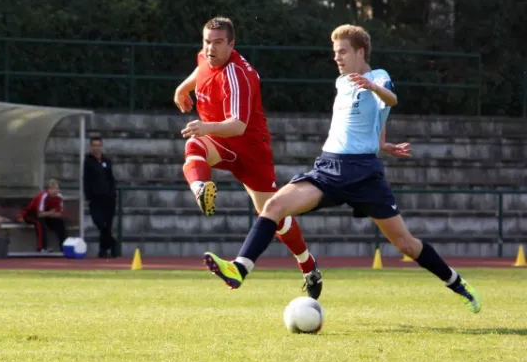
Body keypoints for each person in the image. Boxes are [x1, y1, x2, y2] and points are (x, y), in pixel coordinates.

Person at [203, 24, 482, 313]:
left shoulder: (378, 76)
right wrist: (382, 143)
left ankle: (457, 283)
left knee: (406, 245)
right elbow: (372, 119)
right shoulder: (341, 82)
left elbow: (390, 100)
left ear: (360, 52)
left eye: (343, 52)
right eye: (335, 53)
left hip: (364, 174)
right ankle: (240, 268)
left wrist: (373, 87)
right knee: (273, 206)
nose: (337, 58)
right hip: (329, 168)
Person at [174, 16, 327, 299]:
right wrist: (183, 88)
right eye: (207, 41)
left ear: (232, 45)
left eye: (218, 43)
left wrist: (205, 126)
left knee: (274, 214)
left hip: (250, 150)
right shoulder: (207, 57)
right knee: (194, 146)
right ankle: (200, 189)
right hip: (220, 143)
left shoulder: (238, 75)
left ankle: (308, 264)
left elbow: (238, 125)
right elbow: (201, 69)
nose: (211, 48)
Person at [83, 137, 118, 258]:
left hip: (108, 198)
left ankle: (103, 250)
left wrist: (113, 193)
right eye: (94, 145)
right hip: (95, 198)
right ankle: (112, 243)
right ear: (91, 147)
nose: (96, 148)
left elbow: (111, 178)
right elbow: (86, 179)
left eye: (98, 145)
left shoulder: (106, 161)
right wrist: (88, 195)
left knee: (107, 224)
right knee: (99, 223)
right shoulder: (88, 161)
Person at [20, 179, 67, 253]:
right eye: (52, 189)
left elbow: (59, 214)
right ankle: (41, 248)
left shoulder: (59, 197)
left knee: (60, 223)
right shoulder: (43, 196)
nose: (55, 191)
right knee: (40, 223)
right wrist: (51, 213)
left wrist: (50, 214)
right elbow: (39, 214)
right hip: (30, 215)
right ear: (48, 190)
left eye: (57, 188)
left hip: (47, 215)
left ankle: (64, 247)